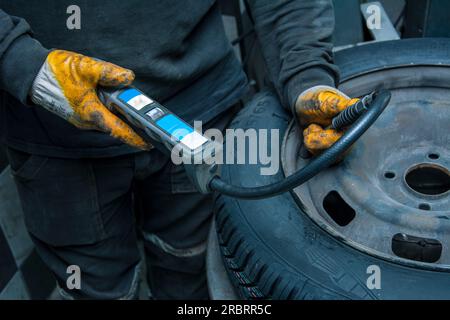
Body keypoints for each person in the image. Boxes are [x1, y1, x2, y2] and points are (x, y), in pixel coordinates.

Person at [0, 0, 359, 299]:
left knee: (195, 271)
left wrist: (307, 76)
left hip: (202, 109)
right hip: (52, 134)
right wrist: (20, 61)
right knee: (94, 290)